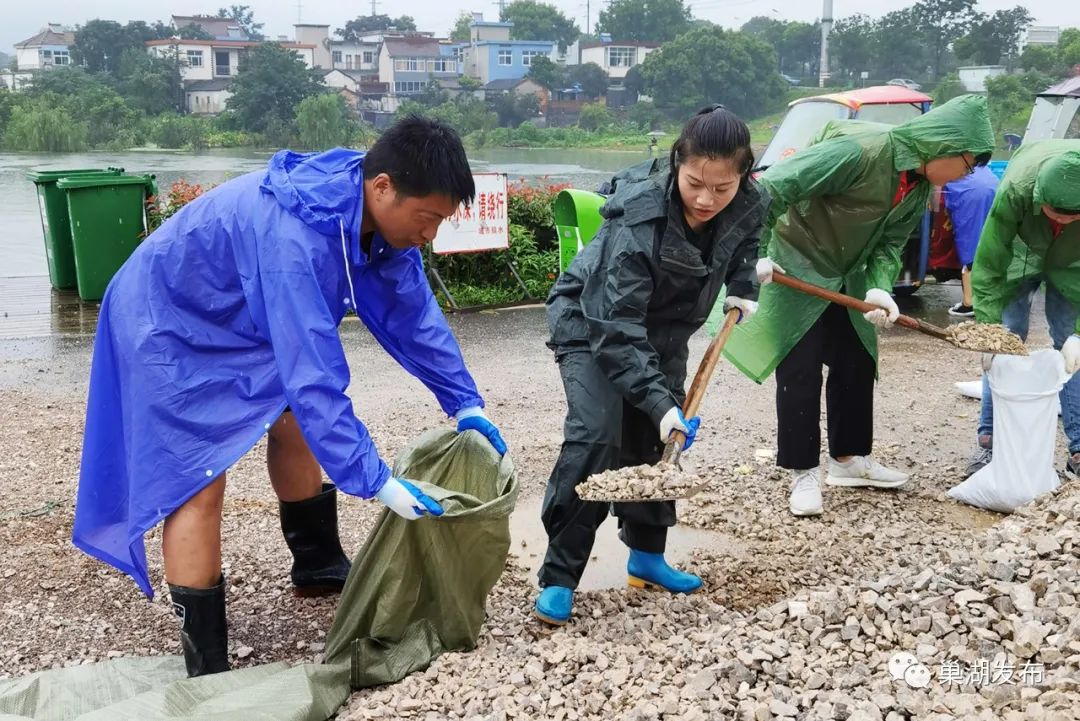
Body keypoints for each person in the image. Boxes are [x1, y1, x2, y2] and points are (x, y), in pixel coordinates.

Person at [73, 115, 508, 677]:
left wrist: (463, 400)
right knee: (197, 475)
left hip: (245, 312)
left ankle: (317, 562)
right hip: (166, 318)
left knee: (294, 423)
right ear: (382, 188)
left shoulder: (376, 218)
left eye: (440, 222)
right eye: (427, 219)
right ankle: (206, 663)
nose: (430, 235)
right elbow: (315, 375)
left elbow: (413, 314)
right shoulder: (296, 237)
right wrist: (374, 479)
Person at [534, 105, 768, 626]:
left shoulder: (752, 199)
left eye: (722, 188)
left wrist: (744, 286)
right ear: (676, 162)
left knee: (659, 440)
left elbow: (746, 241)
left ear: (744, 176)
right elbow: (616, 327)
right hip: (593, 319)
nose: (707, 199)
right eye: (694, 184)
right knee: (598, 435)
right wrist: (661, 400)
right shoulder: (638, 214)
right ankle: (558, 575)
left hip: (667, 327)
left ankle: (646, 555)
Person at [724, 94, 995, 518]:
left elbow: (889, 244)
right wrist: (753, 251)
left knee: (857, 359)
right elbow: (771, 187)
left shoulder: (919, 185)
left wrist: (880, 288)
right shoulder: (859, 152)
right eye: (968, 162)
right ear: (943, 145)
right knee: (801, 367)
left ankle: (848, 460)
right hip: (794, 263)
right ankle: (803, 471)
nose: (967, 172)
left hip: (846, 273)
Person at [967, 140, 1080, 477]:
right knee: (1007, 341)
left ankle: (1079, 449)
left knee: (1072, 350)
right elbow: (987, 265)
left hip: (1074, 262)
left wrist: (1078, 333)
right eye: (1054, 212)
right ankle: (989, 441)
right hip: (1021, 253)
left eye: (1071, 215)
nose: (1061, 219)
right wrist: (988, 331)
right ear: (1039, 198)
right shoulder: (1017, 190)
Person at [944, 165, 999, 316]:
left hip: (970, 191)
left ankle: (970, 303)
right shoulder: (979, 164)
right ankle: (985, 301)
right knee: (987, 241)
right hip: (990, 184)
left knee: (970, 245)